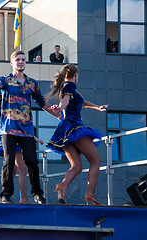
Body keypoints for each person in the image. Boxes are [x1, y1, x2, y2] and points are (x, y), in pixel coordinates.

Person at [0, 50, 60, 204]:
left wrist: (56, 114)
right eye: (17, 59)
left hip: (26, 130)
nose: (21, 62)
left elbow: (41, 102)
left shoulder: (32, 83)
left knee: (32, 161)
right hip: (9, 129)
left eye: (23, 60)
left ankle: (37, 194)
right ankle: (6, 194)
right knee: (9, 161)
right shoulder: (6, 80)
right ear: (12, 63)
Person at [46, 64, 108, 205]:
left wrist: (97, 107)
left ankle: (63, 186)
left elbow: (81, 102)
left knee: (76, 166)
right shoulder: (69, 86)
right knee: (95, 161)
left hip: (65, 130)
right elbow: (65, 101)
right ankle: (90, 194)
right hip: (74, 127)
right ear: (76, 75)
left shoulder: (69, 88)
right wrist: (60, 107)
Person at [0, 92, 44, 204]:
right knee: (21, 170)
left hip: (11, 139)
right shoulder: (11, 110)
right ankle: (23, 198)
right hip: (16, 140)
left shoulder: (4, 111)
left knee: (12, 170)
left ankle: (3, 196)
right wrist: (34, 137)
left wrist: (34, 137)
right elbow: (20, 126)